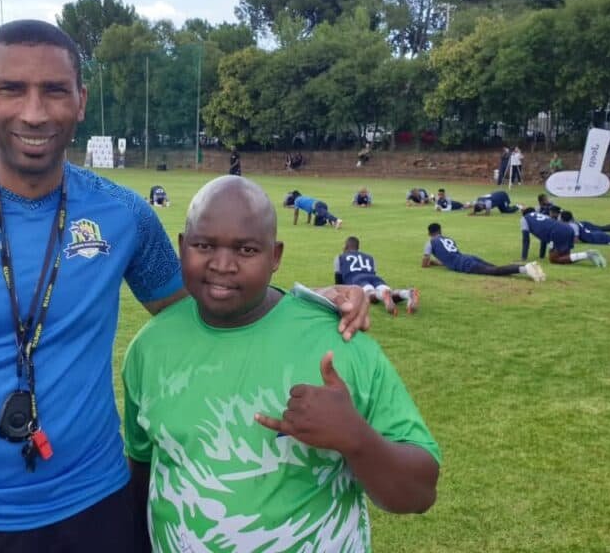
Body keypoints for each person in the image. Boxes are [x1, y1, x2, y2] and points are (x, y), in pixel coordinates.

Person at [0, 20, 370, 553]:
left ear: (81, 100)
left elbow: (205, 305)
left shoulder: (123, 214)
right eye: (12, 89)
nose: (34, 112)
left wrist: (303, 303)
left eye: (55, 90)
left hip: (93, 507)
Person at [123, 176, 440, 551]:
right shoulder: (149, 348)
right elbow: (144, 469)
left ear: (275, 256)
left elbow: (420, 493)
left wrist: (355, 437)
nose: (222, 265)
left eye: (246, 250)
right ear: (181, 247)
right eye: (204, 245)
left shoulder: (339, 343)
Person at [423, 223, 545, 281]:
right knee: (496, 269)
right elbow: (450, 257)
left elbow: (424, 263)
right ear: (440, 231)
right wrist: (436, 263)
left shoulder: (430, 242)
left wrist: (429, 263)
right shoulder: (448, 239)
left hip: (464, 264)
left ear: (429, 233)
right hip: (468, 257)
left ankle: (526, 268)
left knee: (495, 271)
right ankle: (530, 268)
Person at [335, 236, 420, 315]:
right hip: (374, 278)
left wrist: (341, 290)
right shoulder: (370, 257)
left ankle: (382, 294)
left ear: (346, 246)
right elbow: (374, 271)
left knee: (369, 294)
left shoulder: (340, 257)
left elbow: (338, 277)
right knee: (389, 292)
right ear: (358, 247)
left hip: (357, 279)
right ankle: (407, 293)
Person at [520, 207, 606, 266]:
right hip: (568, 228)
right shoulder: (543, 216)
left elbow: (526, 239)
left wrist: (524, 258)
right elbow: (543, 237)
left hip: (557, 232)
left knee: (554, 259)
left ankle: (587, 255)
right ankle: (588, 255)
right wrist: (541, 256)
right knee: (564, 257)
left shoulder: (524, 218)